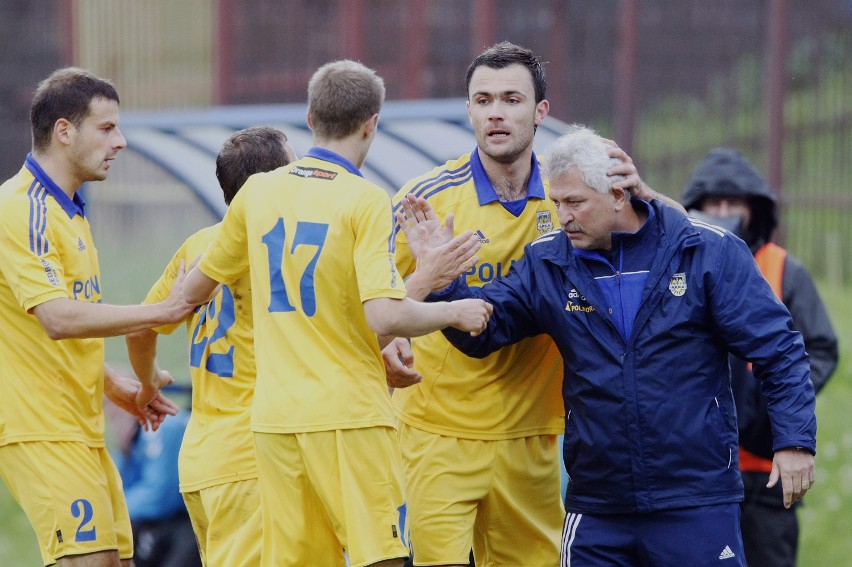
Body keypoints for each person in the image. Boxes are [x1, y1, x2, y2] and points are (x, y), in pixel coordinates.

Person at [412, 124, 816, 567]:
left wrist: (794, 441)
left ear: (619, 195)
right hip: (597, 507)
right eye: (557, 203)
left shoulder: (706, 252)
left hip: (695, 499)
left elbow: (779, 349)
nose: (563, 216)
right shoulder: (548, 261)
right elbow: (484, 330)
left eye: (576, 203)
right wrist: (441, 284)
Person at [181, 60, 492, 567]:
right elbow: (385, 317)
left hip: (275, 423)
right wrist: (454, 310)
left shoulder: (259, 192)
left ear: (309, 117)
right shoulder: (364, 199)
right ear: (372, 122)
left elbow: (192, 291)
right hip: (349, 417)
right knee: (382, 556)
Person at [386, 41, 673, 567]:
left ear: (541, 112)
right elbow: (371, 302)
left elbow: (683, 244)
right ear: (469, 109)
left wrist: (648, 196)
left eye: (512, 99)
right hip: (438, 433)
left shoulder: (570, 190)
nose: (496, 111)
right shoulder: (426, 199)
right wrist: (400, 321)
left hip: (533, 436)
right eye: (483, 99)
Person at [0, 67, 195, 567]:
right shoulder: (24, 210)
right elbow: (56, 318)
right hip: (41, 429)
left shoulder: (70, 213)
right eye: (106, 128)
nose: (121, 142)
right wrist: (165, 310)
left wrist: (113, 384)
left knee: (117, 562)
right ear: (64, 131)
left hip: (82, 428)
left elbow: (41, 329)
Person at [125, 126, 297, 567]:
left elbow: (140, 329)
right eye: (295, 169)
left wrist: (148, 383)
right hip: (253, 459)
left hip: (203, 460)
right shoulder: (277, 246)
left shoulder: (197, 246)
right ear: (272, 183)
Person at [682, 147, 838, 567]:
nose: (724, 211)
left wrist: (770, 407)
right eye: (714, 203)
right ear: (695, 207)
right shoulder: (682, 268)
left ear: (754, 209)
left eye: (734, 203)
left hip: (769, 465)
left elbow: (820, 347)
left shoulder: (783, 267)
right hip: (701, 467)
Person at [105, 397, 201, 567]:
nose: (115, 419)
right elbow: (116, 489)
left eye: (117, 410)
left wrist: (111, 512)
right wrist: (126, 453)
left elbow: (161, 496)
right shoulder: (134, 438)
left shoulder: (165, 425)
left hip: (189, 519)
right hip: (165, 521)